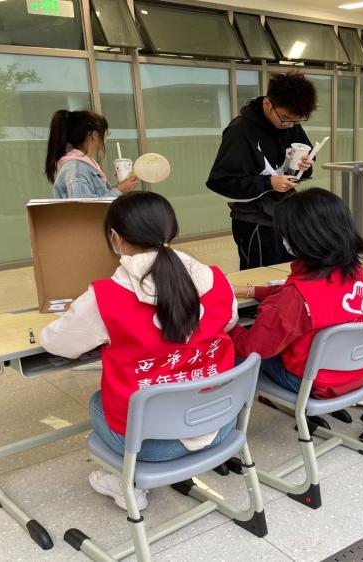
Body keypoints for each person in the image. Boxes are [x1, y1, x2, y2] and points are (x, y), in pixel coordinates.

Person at [40, 191, 239, 511]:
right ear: (172, 230)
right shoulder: (216, 279)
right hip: (221, 425)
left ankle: (127, 484)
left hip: (153, 448)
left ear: (116, 238)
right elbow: (229, 321)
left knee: (97, 403)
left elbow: (57, 343)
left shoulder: (105, 298)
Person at [230, 188, 363, 399]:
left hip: (313, 382)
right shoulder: (357, 273)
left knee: (229, 353)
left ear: (304, 237)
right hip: (362, 371)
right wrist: (251, 290)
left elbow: (251, 349)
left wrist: (228, 323)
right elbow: (314, 297)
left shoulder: (294, 298)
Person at [207, 71, 318, 269]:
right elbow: (220, 181)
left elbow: (304, 160)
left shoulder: (290, 124)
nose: (290, 125)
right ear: (267, 103)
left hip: (287, 215)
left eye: (296, 121)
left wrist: (305, 166)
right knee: (260, 275)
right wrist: (269, 183)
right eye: (285, 118)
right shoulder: (240, 131)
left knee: (290, 272)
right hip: (255, 220)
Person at [45, 109, 139, 198]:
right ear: (95, 135)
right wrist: (119, 189)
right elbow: (85, 206)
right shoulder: (77, 168)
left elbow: (95, 198)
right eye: (107, 133)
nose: (107, 138)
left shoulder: (81, 163)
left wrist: (121, 187)